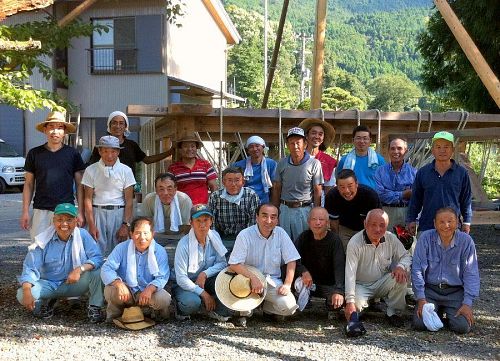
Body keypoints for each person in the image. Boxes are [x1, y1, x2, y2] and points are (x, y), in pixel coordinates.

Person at [16, 203, 105, 323]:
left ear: (76, 221)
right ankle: (44, 301)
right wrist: (27, 290)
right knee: (22, 294)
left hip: (74, 283)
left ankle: (95, 307)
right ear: (53, 220)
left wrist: (79, 269)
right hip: (49, 285)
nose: (64, 224)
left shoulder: (82, 235)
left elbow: (97, 258)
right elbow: (30, 268)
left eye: (69, 220)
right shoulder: (43, 239)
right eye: (60, 219)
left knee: (98, 272)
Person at [228, 203, 300, 326]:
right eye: (264, 216)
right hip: (247, 281)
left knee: (289, 307)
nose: (268, 220)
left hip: (272, 281)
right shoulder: (245, 235)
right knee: (244, 311)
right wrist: (253, 278)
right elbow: (234, 264)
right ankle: (247, 310)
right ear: (256, 217)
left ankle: (267, 307)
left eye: (273, 217)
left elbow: (291, 260)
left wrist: (287, 285)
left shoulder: (281, 233)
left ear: (277, 220)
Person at [412, 207, 479, 334]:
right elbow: (417, 269)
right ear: (434, 224)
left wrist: (467, 303)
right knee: (419, 324)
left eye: (450, 221)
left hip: (455, 292)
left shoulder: (466, 241)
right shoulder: (426, 238)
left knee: (462, 327)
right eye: (441, 222)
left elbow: (471, 273)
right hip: (430, 290)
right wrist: (421, 298)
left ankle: (446, 312)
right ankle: (439, 310)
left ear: (458, 223)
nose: (446, 225)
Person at [20, 111, 86, 240]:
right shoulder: (34, 154)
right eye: (51, 127)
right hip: (41, 209)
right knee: (38, 247)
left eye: (59, 127)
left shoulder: (73, 154)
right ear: (45, 130)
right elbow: (28, 184)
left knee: (66, 248)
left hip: (66, 209)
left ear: (65, 132)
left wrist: (80, 212)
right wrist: (25, 212)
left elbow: (79, 185)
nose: (55, 131)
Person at [344, 209, 412, 329]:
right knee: (354, 307)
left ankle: (393, 313)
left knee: (401, 276)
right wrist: (349, 302)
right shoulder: (354, 243)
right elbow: (350, 273)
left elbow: (406, 256)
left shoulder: (391, 238)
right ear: (365, 224)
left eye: (382, 225)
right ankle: (366, 305)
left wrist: (401, 266)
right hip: (361, 285)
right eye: (373, 225)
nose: (377, 229)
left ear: (387, 226)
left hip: (382, 282)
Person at [101, 217, 171, 322]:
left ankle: (153, 313)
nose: (142, 237)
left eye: (146, 233)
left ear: (153, 234)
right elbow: (106, 268)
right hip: (126, 291)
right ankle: (116, 315)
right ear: (131, 234)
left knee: (163, 298)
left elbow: (162, 276)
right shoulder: (121, 248)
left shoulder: (159, 251)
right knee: (110, 290)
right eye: (138, 233)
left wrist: (150, 289)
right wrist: (118, 284)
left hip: (146, 293)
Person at [172, 205, 232, 321]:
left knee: (227, 288)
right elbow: (181, 278)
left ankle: (211, 307)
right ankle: (180, 305)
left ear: (211, 221)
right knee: (191, 303)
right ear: (191, 222)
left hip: (206, 280)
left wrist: (204, 274)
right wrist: (203, 294)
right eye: (198, 220)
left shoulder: (215, 236)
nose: (202, 224)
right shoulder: (183, 245)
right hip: (185, 283)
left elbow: (222, 263)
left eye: (206, 220)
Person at [407, 131, 472, 236]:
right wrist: (411, 219)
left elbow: (466, 200)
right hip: (427, 227)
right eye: (438, 147)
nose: (442, 150)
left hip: (452, 227)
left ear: (453, 150)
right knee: (426, 253)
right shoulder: (423, 172)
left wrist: (467, 222)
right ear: (433, 150)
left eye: (446, 147)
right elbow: (415, 199)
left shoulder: (461, 173)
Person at [82, 135, 136, 256]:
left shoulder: (126, 170)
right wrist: (91, 224)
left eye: (113, 151)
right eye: (105, 151)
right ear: (100, 151)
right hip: (97, 212)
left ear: (118, 152)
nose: (109, 155)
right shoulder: (91, 170)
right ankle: (95, 275)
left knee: (120, 251)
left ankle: (118, 275)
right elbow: (88, 199)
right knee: (95, 250)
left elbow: (129, 201)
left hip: (118, 212)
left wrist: (125, 224)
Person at [272, 127, 323, 242]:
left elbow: (317, 190)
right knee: (284, 244)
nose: (295, 146)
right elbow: (276, 189)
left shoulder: (314, 163)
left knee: (304, 243)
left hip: (304, 210)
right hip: (285, 209)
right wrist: (275, 212)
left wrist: (317, 214)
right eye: (292, 143)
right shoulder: (281, 163)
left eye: (298, 143)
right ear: (287, 145)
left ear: (305, 144)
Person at [89, 111, 173, 177]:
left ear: (126, 126)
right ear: (109, 125)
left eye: (121, 123)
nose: (118, 126)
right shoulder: (100, 147)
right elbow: (92, 169)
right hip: (105, 190)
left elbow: (147, 160)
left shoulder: (132, 145)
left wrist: (169, 152)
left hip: (127, 191)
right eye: (114, 122)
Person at [294, 207, 345, 315]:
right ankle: (301, 298)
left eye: (321, 220)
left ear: (327, 223)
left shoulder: (334, 240)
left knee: (336, 303)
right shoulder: (304, 237)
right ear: (308, 222)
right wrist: (303, 271)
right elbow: (293, 259)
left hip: (327, 285)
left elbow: (339, 267)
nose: (317, 223)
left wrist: (338, 290)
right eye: (314, 219)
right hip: (306, 282)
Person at [325, 169, 381, 250]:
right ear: (337, 187)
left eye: (350, 186)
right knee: (345, 252)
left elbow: (377, 220)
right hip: (344, 228)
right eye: (342, 187)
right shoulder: (332, 196)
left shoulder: (370, 195)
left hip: (366, 228)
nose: (347, 191)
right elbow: (334, 223)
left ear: (356, 184)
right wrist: (336, 243)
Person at [208, 167, 259, 245]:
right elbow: (212, 222)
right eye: (229, 180)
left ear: (243, 182)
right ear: (223, 182)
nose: (233, 184)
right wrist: (216, 242)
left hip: (246, 238)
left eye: (237, 180)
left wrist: (246, 242)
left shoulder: (251, 195)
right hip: (223, 238)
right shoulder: (215, 197)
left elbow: (254, 222)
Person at [374, 137, 417, 230]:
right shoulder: (380, 172)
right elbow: (380, 194)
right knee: (385, 242)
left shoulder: (414, 173)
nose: (395, 151)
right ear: (388, 151)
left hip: (407, 212)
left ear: (406, 151)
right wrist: (403, 194)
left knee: (406, 242)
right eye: (392, 148)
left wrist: (389, 193)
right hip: (386, 211)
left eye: (399, 148)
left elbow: (416, 195)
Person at [142, 172, 193, 241]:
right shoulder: (149, 200)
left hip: (179, 237)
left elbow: (187, 227)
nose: (165, 193)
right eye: (161, 189)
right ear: (156, 190)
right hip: (156, 236)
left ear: (175, 190)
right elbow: (145, 224)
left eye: (169, 189)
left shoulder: (184, 200)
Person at [168, 136, 218, 205]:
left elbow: (213, 186)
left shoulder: (205, 164)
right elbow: (169, 188)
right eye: (185, 146)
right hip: (181, 207)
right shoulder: (173, 168)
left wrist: (214, 204)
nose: (189, 149)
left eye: (193, 146)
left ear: (196, 149)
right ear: (180, 149)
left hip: (202, 207)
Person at [337, 125, 385, 190]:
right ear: (353, 140)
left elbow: (384, 182)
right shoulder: (344, 161)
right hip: (350, 196)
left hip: (373, 197)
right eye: (358, 138)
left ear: (370, 141)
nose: (362, 141)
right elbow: (339, 181)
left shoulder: (379, 160)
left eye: (365, 138)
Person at [232, 135, 277, 204]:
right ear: (248, 150)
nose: (255, 149)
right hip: (244, 201)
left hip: (264, 202)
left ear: (263, 147)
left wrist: (274, 204)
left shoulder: (271, 164)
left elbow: (275, 186)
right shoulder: (238, 165)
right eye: (251, 147)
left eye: (257, 146)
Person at [298, 118, 337, 196]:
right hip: (299, 199)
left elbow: (329, 188)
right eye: (313, 133)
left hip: (321, 202)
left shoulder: (329, 161)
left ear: (323, 139)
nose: (317, 136)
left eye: (320, 134)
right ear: (306, 136)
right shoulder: (297, 158)